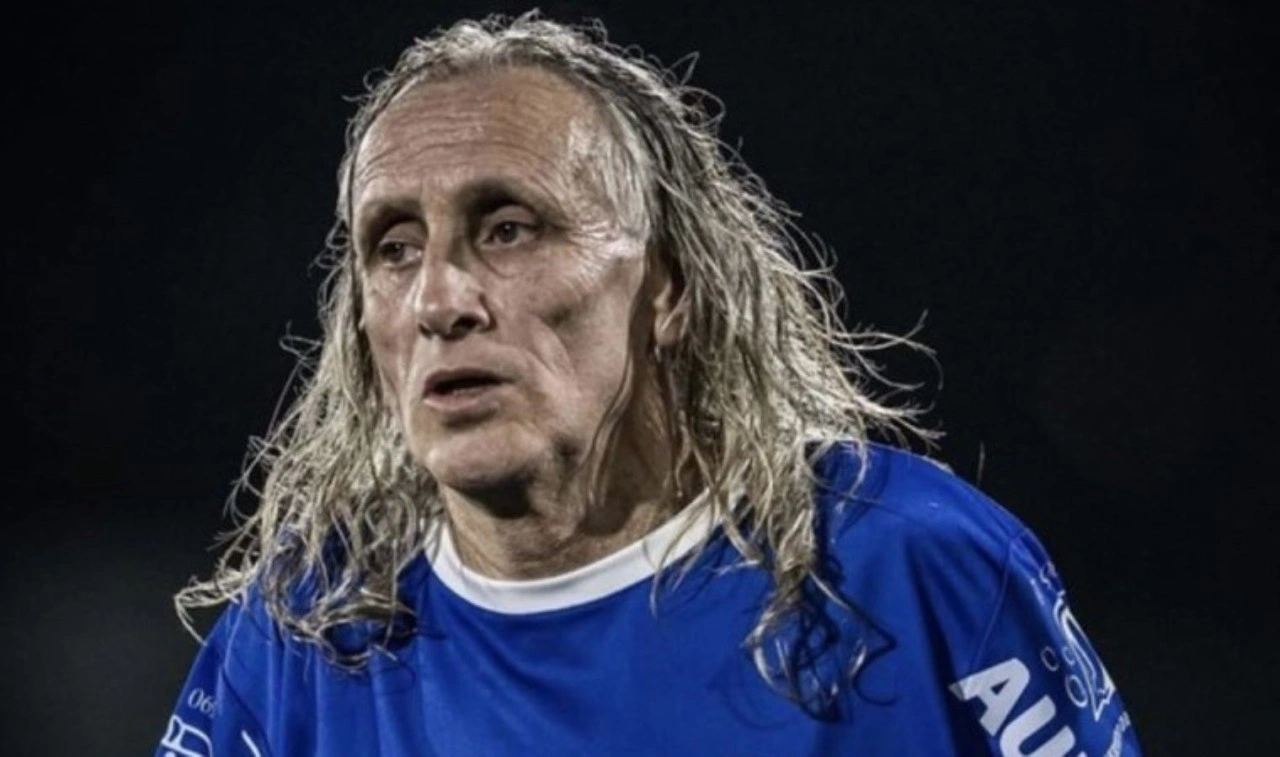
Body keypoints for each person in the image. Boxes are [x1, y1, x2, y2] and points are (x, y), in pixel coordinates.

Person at [158, 12, 1141, 756]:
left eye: (508, 229)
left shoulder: (913, 567)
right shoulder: (302, 639)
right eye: (394, 247)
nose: (440, 299)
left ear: (667, 287)